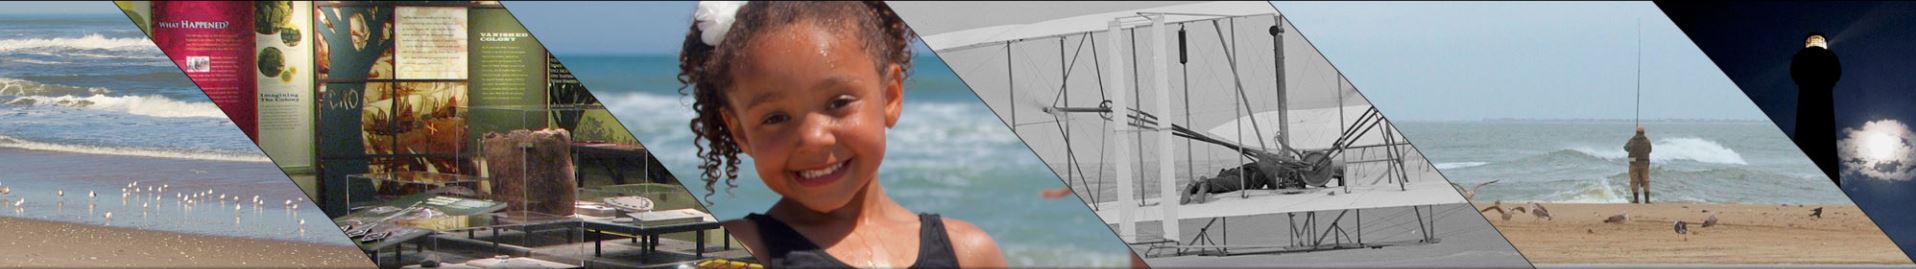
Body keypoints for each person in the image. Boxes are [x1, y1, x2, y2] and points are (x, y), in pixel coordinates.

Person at [676, 2, 1006, 268]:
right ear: (740, 133)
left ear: (890, 96)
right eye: (775, 117)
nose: (814, 137)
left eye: (839, 102)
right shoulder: (735, 252)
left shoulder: (970, 254)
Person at [1625, 127, 1653, 204]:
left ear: (1636, 133)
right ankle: (1647, 200)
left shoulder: (1632, 141)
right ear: (1644, 133)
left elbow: (1626, 148)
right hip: (1644, 163)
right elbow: (1650, 150)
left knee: (1634, 181)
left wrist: (1632, 138)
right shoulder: (1647, 141)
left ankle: (1636, 199)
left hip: (1633, 163)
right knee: (1646, 181)